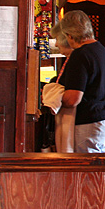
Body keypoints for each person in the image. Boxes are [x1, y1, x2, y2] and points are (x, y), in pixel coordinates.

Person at [60, 10, 105, 153]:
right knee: (103, 173)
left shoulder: (80, 55)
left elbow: (73, 99)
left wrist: (53, 97)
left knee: (87, 174)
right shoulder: (103, 50)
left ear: (69, 35)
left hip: (92, 124)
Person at [41, 21, 77, 152]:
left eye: (56, 40)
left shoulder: (76, 59)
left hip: (72, 119)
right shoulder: (70, 59)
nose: (55, 44)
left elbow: (72, 96)